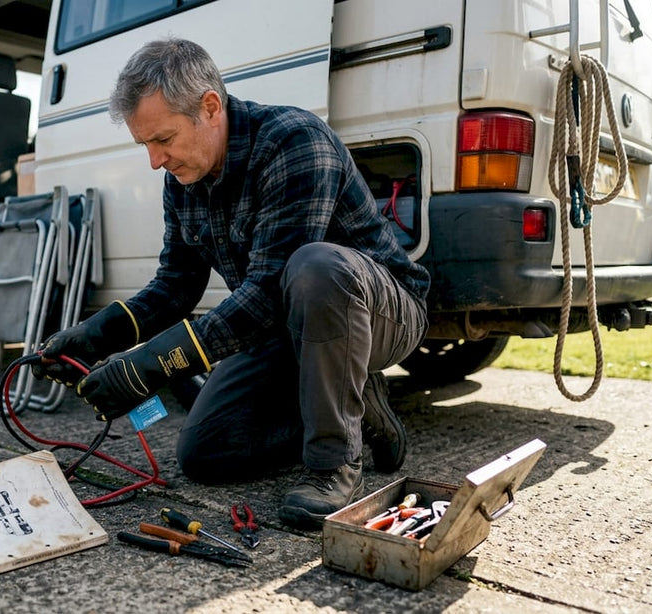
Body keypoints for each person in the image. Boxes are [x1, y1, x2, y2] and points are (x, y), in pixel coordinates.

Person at [34, 38, 430, 530]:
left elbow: (267, 292)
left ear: (210, 106)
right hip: (287, 327)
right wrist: (95, 335)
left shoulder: (293, 141)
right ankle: (359, 405)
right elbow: (175, 285)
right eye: (146, 146)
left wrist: (148, 367)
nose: (156, 161)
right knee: (206, 454)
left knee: (315, 266)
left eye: (164, 140)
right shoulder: (184, 179)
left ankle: (333, 463)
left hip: (380, 312)